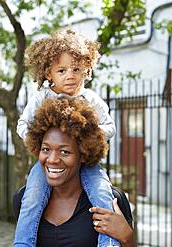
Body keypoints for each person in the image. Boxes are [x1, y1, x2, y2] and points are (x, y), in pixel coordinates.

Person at [14, 29, 118, 246]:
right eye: (62, 70)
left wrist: (91, 136)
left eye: (76, 69)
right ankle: (23, 243)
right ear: (48, 73)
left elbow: (110, 126)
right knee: (31, 199)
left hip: (87, 162)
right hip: (49, 166)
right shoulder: (42, 97)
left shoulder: (90, 99)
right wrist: (37, 140)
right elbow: (22, 125)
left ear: (86, 70)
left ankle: (108, 243)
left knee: (102, 194)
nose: (70, 75)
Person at [14, 97, 134, 247]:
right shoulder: (24, 200)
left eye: (64, 152)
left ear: (83, 154)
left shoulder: (111, 201)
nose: (52, 159)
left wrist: (127, 237)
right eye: (46, 149)